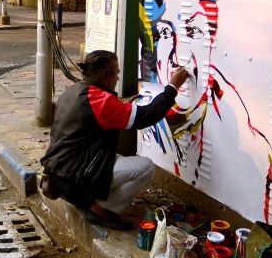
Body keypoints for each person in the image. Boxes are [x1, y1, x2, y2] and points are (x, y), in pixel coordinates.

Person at [40, 50, 189, 230]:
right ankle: (102, 208)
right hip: (75, 176)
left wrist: (122, 107)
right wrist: (172, 87)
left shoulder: (75, 90)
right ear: (105, 77)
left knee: (119, 160)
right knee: (145, 167)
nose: (118, 77)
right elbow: (146, 117)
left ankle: (91, 198)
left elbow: (93, 119)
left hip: (61, 170)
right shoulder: (101, 101)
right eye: (117, 73)